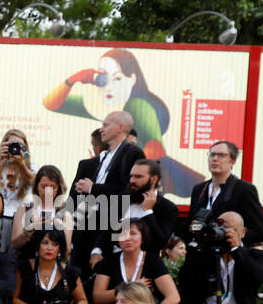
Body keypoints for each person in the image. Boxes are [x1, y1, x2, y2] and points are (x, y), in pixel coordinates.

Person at [45, 47, 204, 196]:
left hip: (116, 218)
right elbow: (51, 104)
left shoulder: (137, 106)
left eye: (117, 78)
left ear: (132, 79)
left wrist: (94, 188)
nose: (108, 86)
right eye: (103, 78)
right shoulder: (100, 104)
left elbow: (155, 151)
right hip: (93, 218)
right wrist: (73, 79)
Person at [71, 110, 142, 263]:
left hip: (110, 224)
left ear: (121, 127)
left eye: (105, 125)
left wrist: (92, 188)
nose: (101, 129)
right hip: (87, 221)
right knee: (77, 272)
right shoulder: (106, 156)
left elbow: (127, 189)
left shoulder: (132, 153)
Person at [91, 218, 180, 304]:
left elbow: (173, 298)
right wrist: (131, 287)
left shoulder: (153, 261)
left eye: (133, 233)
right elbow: (98, 297)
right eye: (123, 234)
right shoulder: (109, 261)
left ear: (142, 238)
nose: (127, 238)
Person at [186, 141, 263, 245]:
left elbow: (260, 231)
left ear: (232, 161)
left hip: (228, 256)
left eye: (221, 155)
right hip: (200, 254)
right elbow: (189, 223)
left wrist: (230, 237)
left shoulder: (244, 189)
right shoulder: (199, 189)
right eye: (212, 154)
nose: (215, 158)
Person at [10, 165, 73, 259]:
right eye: (44, 187)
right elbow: (14, 244)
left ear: (59, 188)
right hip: (27, 262)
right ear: (36, 186)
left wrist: (60, 232)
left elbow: (66, 251)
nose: (48, 191)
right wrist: (30, 230)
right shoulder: (26, 208)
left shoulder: (64, 214)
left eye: (53, 187)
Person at [121, 158, 180, 254]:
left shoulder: (168, 208)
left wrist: (148, 212)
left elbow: (160, 243)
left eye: (138, 177)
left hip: (146, 263)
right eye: (131, 176)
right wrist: (97, 251)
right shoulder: (121, 198)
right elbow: (106, 232)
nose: (132, 180)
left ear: (153, 179)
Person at [0, 129, 34, 242]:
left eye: (19, 146)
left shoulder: (31, 168)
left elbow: (36, 183)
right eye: (12, 145)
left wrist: (22, 164)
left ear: (25, 149)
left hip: (20, 220)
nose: (15, 149)